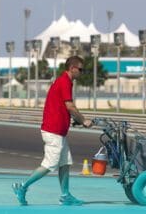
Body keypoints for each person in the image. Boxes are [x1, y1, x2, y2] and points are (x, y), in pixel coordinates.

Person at [12, 56, 92, 206]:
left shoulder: (63, 81)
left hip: (58, 132)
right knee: (50, 164)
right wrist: (83, 120)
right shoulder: (65, 82)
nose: (81, 72)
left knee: (65, 163)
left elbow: (62, 107)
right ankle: (22, 187)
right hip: (53, 132)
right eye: (80, 69)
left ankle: (65, 195)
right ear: (72, 68)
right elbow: (70, 106)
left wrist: (71, 119)